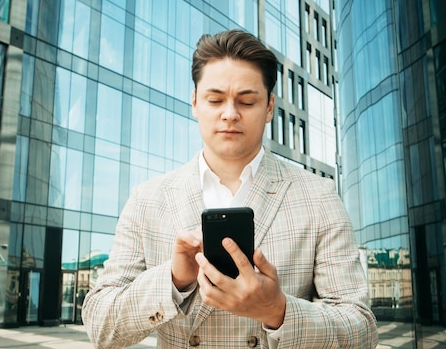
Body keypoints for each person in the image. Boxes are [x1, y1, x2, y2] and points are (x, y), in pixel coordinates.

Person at [82, 29, 378, 348]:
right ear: (195, 103)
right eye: (215, 99)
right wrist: (173, 280)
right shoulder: (147, 200)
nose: (230, 114)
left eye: (247, 101)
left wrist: (278, 311)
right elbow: (101, 327)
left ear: (269, 108)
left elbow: (361, 330)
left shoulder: (318, 196)